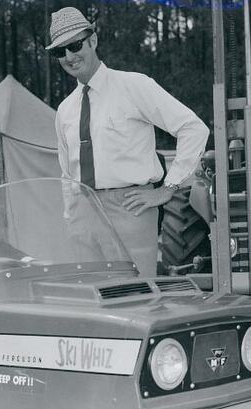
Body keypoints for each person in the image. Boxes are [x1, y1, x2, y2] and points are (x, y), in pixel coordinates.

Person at [48, 7, 210, 277]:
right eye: (59, 51)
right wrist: (71, 219)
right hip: (82, 216)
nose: (69, 56)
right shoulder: (65, 110)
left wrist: (167, 188)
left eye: (75, 45)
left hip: (129, 207)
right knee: (91, 303)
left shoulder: (134, 86)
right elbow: (67, 173)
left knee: (136, 300)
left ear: (93, 40)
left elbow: (193, 128)